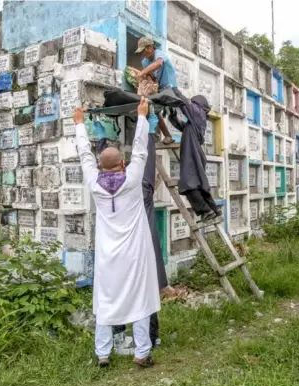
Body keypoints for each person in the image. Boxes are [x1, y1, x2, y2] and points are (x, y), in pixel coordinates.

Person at [73, 99, 160, 368]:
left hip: (108, 255)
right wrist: (142, 117)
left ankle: (102, 354)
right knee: (141, 299)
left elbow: (84, 155)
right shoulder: (132, 179)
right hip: (135, 253)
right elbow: (141, 151)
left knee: (105, 300)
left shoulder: (93, 181)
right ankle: (141, 353)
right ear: (123, 164)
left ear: (100, 166)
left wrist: (79, 123)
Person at [167, 88, 221, 221]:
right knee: (199, 184)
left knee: (188, 183)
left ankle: (206, 211)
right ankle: (214, 209)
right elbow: (183, 127)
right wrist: (173, 117)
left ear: (198, 105)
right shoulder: (196, 121)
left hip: (192, 153)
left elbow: (185, 103)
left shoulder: (198, 113)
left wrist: (173, 88)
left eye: (193, 103)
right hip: (194, 153)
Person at [133, 37, 177, 145]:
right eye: (142, 51)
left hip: (170, 87)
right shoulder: (145, 61)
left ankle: (170, 135)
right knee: (153, 109)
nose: (144, 53)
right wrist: (143, 80)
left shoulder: (159, 54)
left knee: (181, 107)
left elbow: (158, 64)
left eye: (144, 50)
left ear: (151, 47)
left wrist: (142, 73)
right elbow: (151, 76)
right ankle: (167, 136)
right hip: (159, 89)